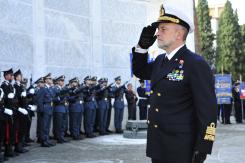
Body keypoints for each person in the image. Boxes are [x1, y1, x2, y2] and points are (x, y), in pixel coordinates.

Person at [132, 3, 217, 163]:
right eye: (158, 29)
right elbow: (140, 71)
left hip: (182, 148)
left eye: (163, 29)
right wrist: (142, 46)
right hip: (158, 146)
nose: (157, 34)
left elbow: (208, 110)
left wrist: (203, 147)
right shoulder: (159, 61)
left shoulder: (195, 63)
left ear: (179, 34)